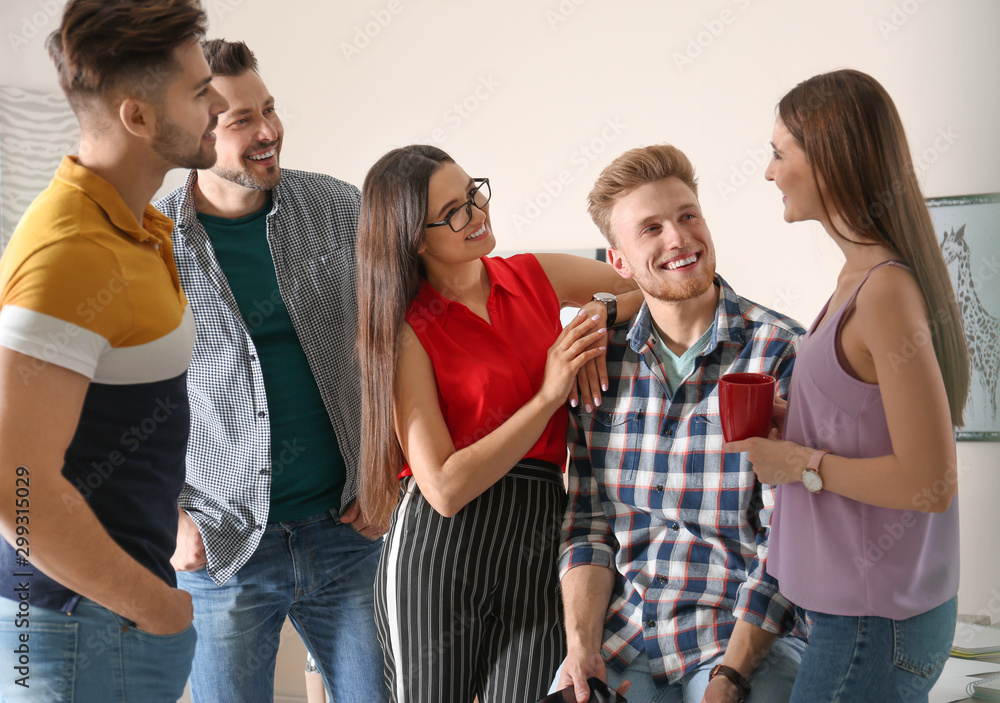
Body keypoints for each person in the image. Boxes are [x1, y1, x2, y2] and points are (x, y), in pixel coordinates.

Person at [356, 144, 643, 702]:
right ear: (415, 237)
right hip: (440, 553)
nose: (477, 213)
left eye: (473, 193)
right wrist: (548, 394)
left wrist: (599, 314)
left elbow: (654, 287)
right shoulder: (405, 328)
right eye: (455, 210)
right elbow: (441, 487)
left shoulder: (533, 275)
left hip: (539, 535)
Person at [0, 1, 227, 700]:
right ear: (137, 116)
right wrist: (152, 606)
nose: (218, 101)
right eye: (198, 91)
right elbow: (15, 486)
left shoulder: (137, 223)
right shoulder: (70, 251)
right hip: (80, 630)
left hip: (105, 622)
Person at [723, 69, 969, 703]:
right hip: (856, 618)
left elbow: (930, 480)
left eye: (780, 153)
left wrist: (799, 463)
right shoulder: (855, 277)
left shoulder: (883, 288)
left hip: (874, 626)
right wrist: (794, 422)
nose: (769, 172)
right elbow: (871, 419)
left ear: (828, 162)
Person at [155, 39, 387, 702]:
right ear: (194, 137)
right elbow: (107, 401)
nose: (267, 132)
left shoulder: (343, 211)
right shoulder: (150, 245)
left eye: (270, 110)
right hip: (223, 552)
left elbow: (397, 346)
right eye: (241, 121)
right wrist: (165, 519)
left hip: (347, 535)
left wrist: (385, 472)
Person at [553, 144, 809, 703]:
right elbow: (588, 526)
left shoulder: (781, 352)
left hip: (738, 637)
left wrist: (731, 678)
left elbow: (787, 540)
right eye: (650, 229)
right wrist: (579, 649)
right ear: (618, 262)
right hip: (623, 636)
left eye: (687, 215)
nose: (679, 238)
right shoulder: (599, 361)